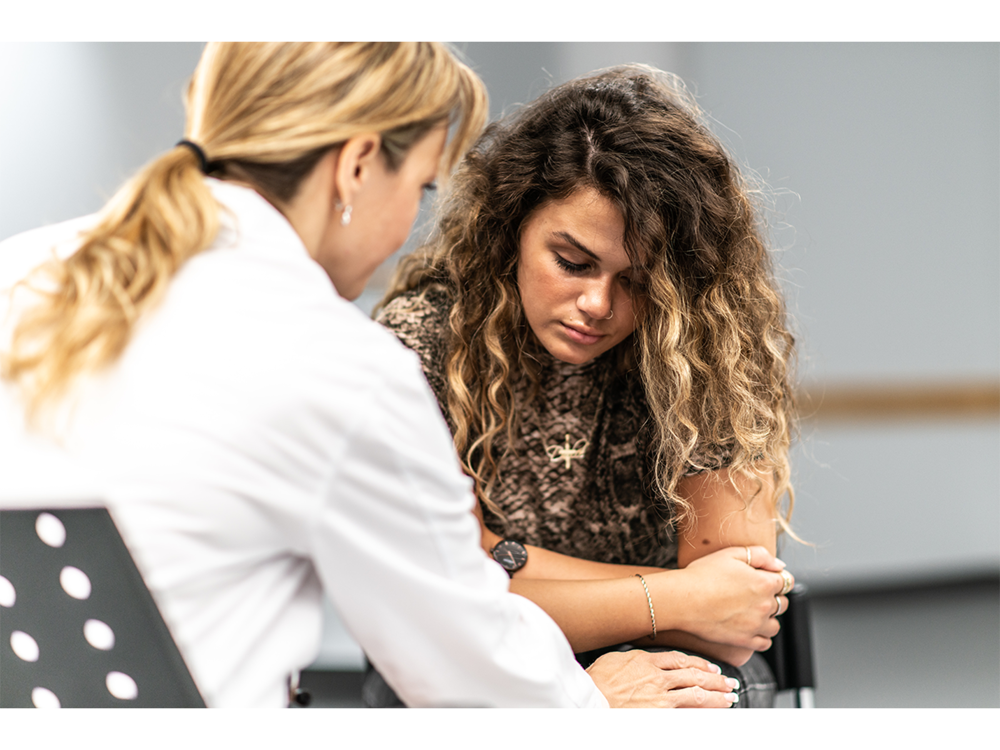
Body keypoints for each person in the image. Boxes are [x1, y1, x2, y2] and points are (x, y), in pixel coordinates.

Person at [0, 43, 746, 709]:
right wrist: (590, 700)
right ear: (357, 166)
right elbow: (470, 673)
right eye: (421, 187)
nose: (408, 229)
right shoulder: (341, 366)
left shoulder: (19, 270)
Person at [374, 64, 798, 707]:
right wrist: (679, 594)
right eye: (572, 262)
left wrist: (503, 560)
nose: (597, 304)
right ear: (512, 228)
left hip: (675, 665)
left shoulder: (711, 344)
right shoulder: (422, 342)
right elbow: (438, 610)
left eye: (637, 280)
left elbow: (734, 621)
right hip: (474, 672)